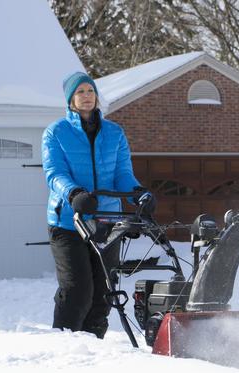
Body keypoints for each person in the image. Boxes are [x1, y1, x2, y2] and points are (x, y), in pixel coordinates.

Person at [43, 71, 156, 337]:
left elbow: (122, 174)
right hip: (68, 223)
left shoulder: (114, 133)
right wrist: (74, 194)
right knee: (77, 289)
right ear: (71, 99)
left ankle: (93, 345)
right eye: (80, 92)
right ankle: (64, 342)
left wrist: (138, 194)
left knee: (104, 289)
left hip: (106, 222)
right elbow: (54, 172)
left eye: (90, 91)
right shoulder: (56, 132)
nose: (86, 97)